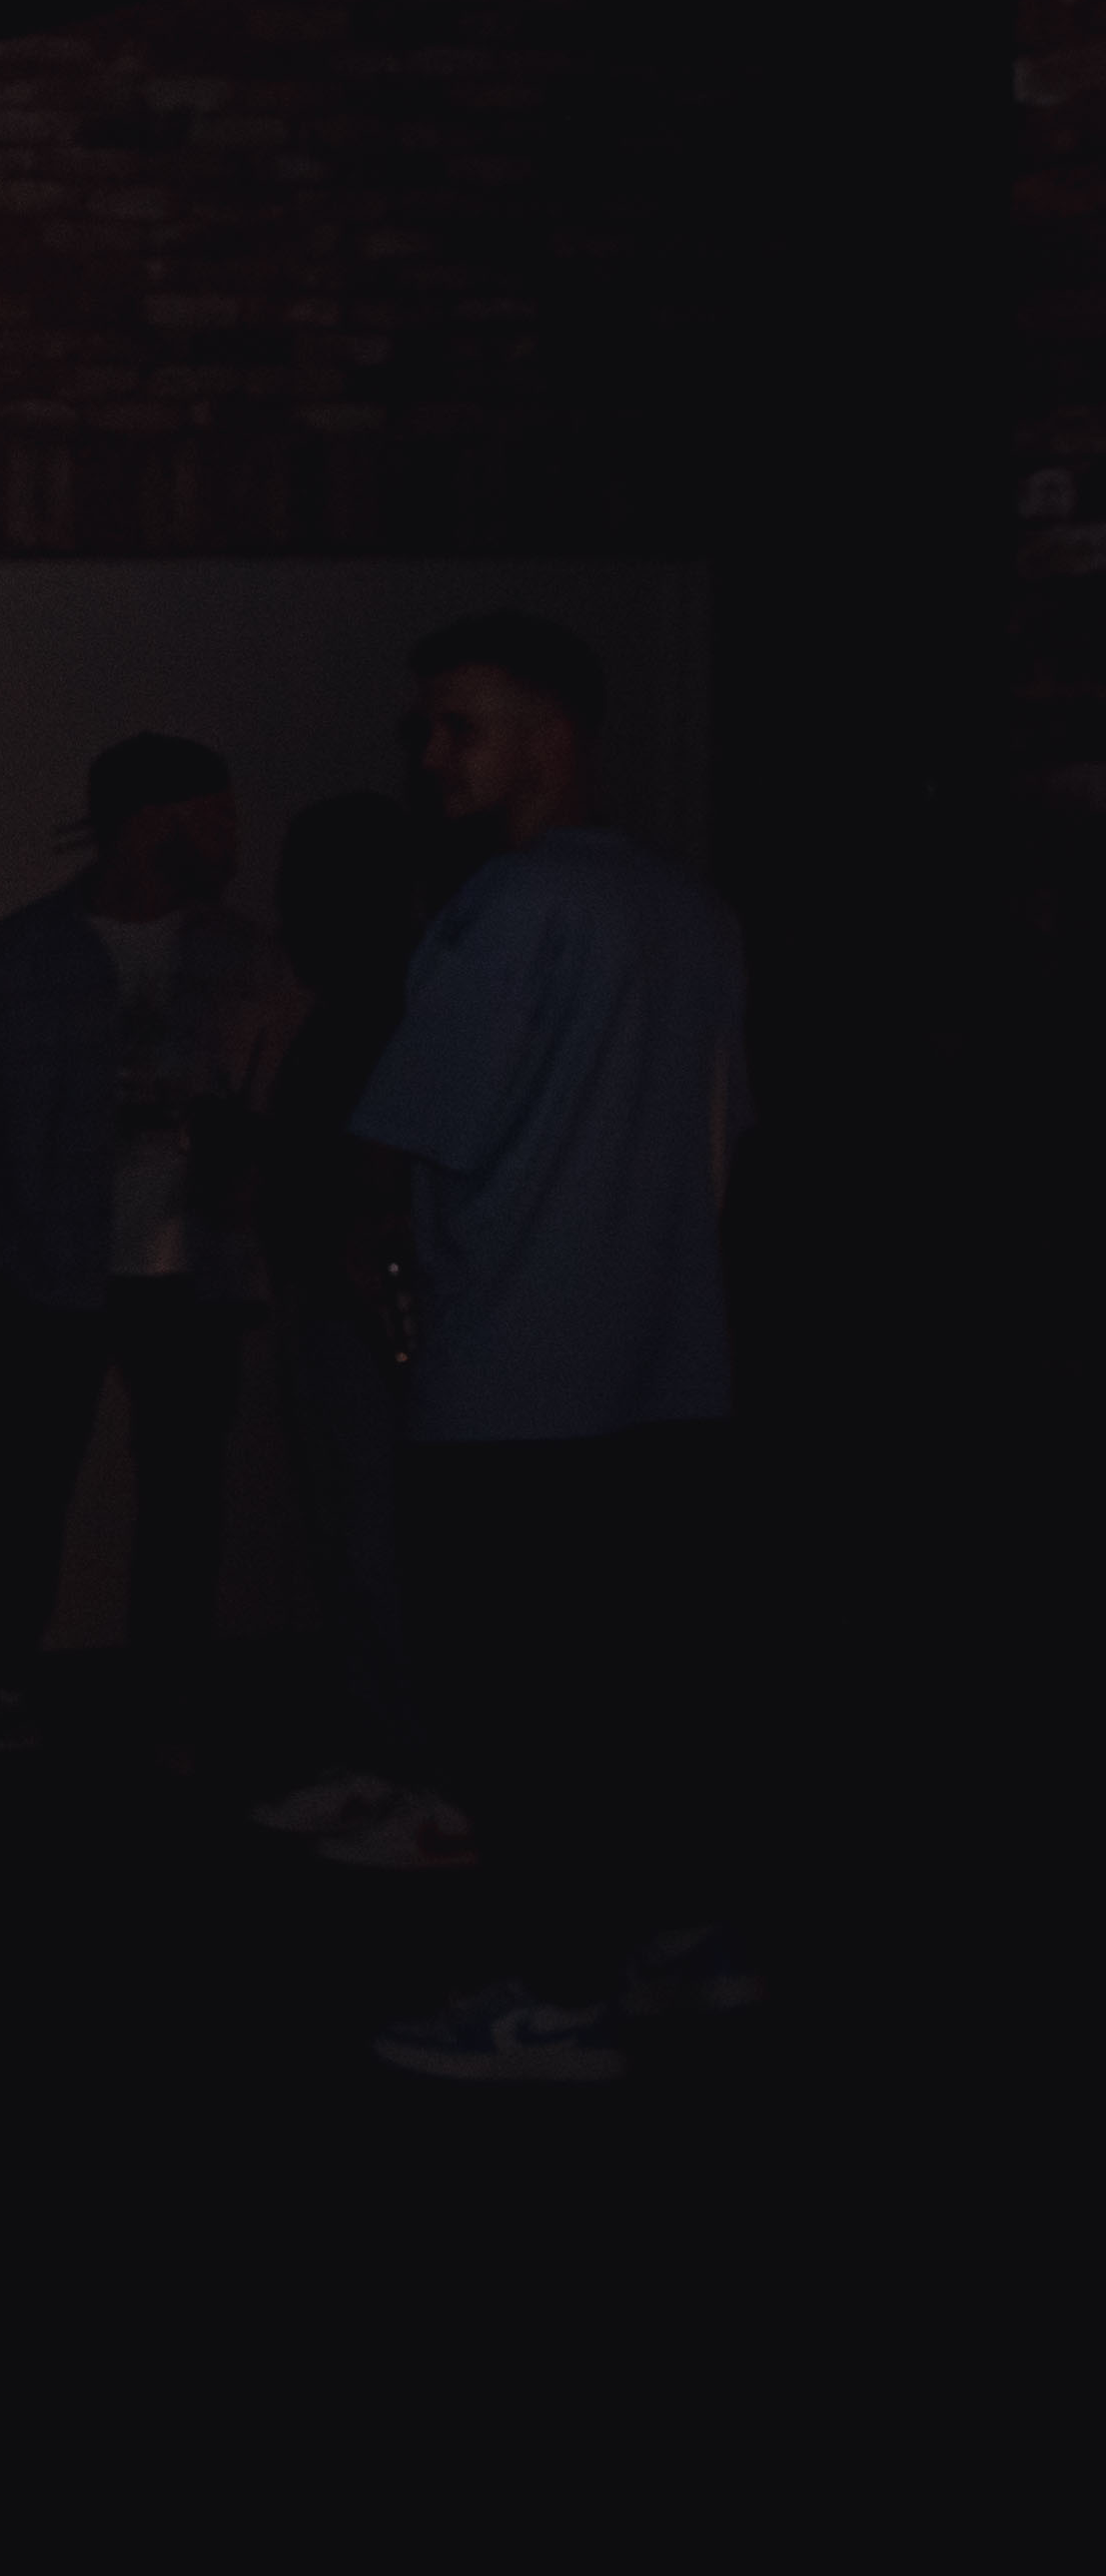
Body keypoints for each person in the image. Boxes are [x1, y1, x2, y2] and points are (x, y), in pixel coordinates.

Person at [348, 613, 750, 2083]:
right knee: (641, 1686)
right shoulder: (692, 910)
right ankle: (671, 1942)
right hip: (670, 1378)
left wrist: (396, 1297)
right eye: (429, 729)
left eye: (463, 727)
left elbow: (407, 1136)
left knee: (519, 1706)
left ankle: (559, 1992)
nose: (433, 756)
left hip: (514, 1387)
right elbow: (727, 1148)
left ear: (551, 736)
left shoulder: (509, 908)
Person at [0, 730, 285, 1738]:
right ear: (146, 823)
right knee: (28, 1482)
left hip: (195, 1272)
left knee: (186, 1490)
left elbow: (278, 1105)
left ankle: (169, 1691)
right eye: (207, 815)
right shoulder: (24, 955)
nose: (228, 836)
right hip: (52, 1270)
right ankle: (3, 1679)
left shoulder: (240, 953)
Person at [238, 790, 467, 1857]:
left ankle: (420, 1771)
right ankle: (384, 1756)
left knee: (381, 1544)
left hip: (365, 1309)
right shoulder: (347, 1004)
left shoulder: (396, 1003)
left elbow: (373, 1173)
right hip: (329, 1298)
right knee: (351, 1538)